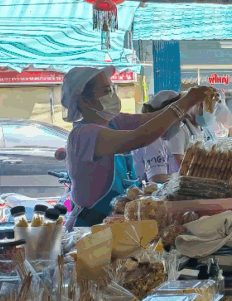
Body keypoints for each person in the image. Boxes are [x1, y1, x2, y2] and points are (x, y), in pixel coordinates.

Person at [62, 67, 214, 228]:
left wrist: (187, 103)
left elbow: (151, 119)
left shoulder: (113, 121)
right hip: (90, 226)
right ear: (84, 100)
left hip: (116, 221)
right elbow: (139, 137)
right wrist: (186, 102)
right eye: (106, 90)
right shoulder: (84, 135)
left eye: (113, 88)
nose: (112, 94)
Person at [131, 90, 181, 184]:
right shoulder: (153, 141)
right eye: (178, 119)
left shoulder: (159, 139)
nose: (179, 124)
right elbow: (158, 182)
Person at [166, 89, 219, 169]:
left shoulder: (205, 129)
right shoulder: (179, 130)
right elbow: (179, 163)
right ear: (193, 106)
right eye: (206, 109)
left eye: (211, 110)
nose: (209, 112)